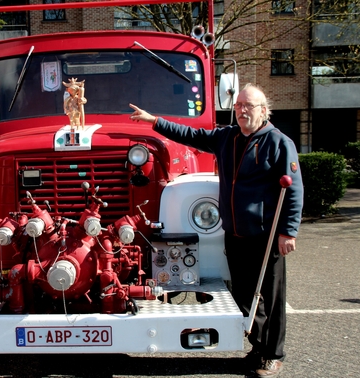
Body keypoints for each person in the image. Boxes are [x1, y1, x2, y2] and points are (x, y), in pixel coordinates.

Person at [129, 83, 303, 378]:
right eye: (238, 106)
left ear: (264, 110)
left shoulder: (278, 142)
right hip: (234, 234)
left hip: (265, 235)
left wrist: (289, 232)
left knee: (270, 298)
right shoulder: (227, 137)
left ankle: (273, 354)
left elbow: (294, 190)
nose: (243, 111)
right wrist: (153, 121)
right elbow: (190, 135)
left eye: (249, 106)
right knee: (245, 296)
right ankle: (257, 348)